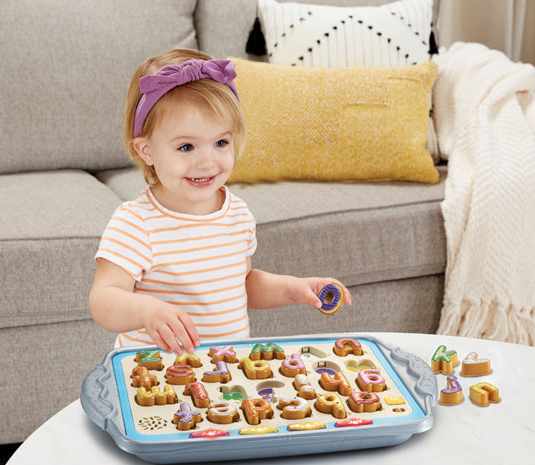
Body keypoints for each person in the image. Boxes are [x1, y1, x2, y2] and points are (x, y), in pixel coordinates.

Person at [89, 49, 350, 355]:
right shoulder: (137, 223)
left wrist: (293, 289)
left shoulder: (237, 213)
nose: (207, 162)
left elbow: (243, 283)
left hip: (227, 372)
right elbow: (103, 299)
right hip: (156, 374)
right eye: (186, 147)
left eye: (220, 142)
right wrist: (147, 310)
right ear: (147, 150)